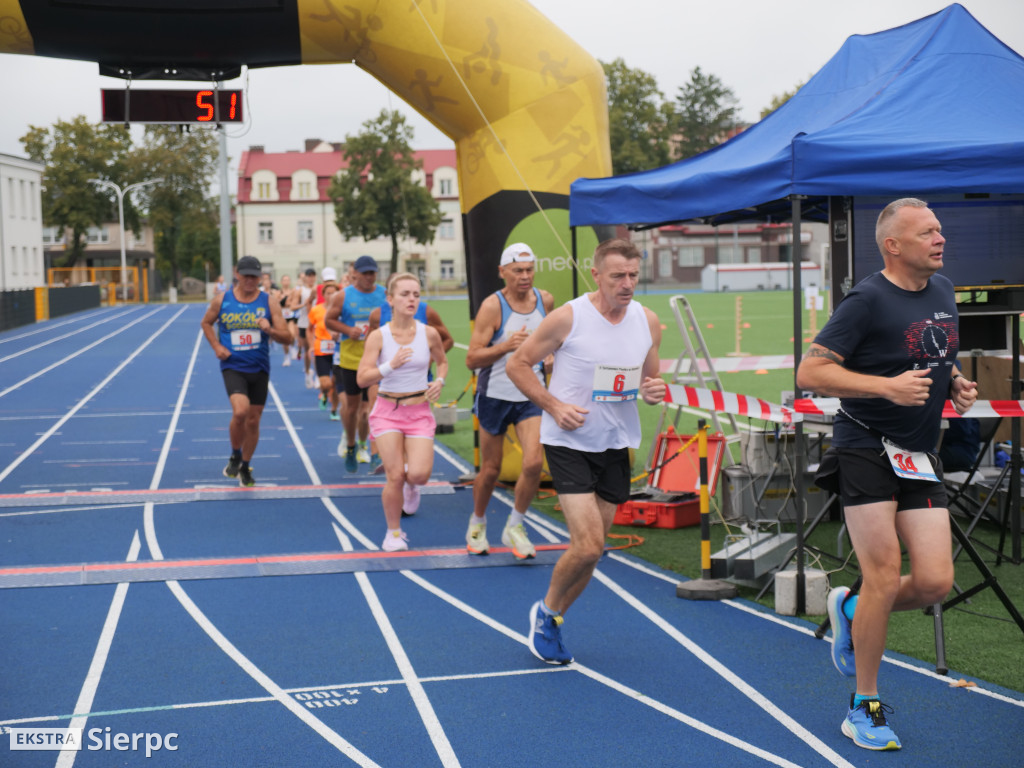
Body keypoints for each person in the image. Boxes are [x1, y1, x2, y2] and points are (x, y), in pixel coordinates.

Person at [796, 198, 978, 752]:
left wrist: (955, 383)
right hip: (865, 445)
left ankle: (849, 607)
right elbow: (811, 371)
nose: (939, 238)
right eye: (926, 232)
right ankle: (865, 708)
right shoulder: (866, 299)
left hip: (917, 452)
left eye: (939, 230)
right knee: (884, 573)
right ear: (893, 246)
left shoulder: (944, 290)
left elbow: (934, 351)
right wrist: (887, 388)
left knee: (935, 582)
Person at [506, 238, 666, 664]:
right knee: (590, 545)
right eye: (618, 275)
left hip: (616, 443)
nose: (627, 283)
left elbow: (652, 380)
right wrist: (554, 406)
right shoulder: (568, 318)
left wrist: (654, 390)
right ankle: (544, 612)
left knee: (594, 549)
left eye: (633, 275)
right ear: (596, 275)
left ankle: (553, 616)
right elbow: (517, 364)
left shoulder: (647, 321)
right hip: (568, 442)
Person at [464, 243, 554, 559]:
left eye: (529, 270)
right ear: (503, 272)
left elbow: (552, 340)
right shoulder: (493, 307)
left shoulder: (545, 300)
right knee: (490, 470)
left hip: (530, 394)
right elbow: (472, 359)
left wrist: (550, 355)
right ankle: (477, 523)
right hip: (495, 395)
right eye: (518, 271)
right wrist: (505, 346)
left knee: (533, 462)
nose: (525, 276)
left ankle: (515, 525)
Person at [356, 273, 448, 551]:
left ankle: (412, 485)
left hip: (419, 411)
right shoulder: (378, 336)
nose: (411, 300)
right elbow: (362, 378)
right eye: (405, 294)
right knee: (394, 475)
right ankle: (393, 533)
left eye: (416, 295)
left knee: (418, 475)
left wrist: (439, 381)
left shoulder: (428, 333)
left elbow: (442, 363)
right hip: (387, 411)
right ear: (390, 299)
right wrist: (390, 366)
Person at [200, 255, 291, 487]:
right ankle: (235, 453)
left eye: (255, 276)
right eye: (246, 275)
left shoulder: (269, 302)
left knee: (253, 420)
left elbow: (287, 336)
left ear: (259, 277)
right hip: (233, 365)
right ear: (237, 275)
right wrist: (217, 346)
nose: (250, 280)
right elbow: (206, 323)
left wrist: (270, 329)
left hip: (259, 367)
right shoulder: (222, 300)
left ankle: (245, 465)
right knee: (240, 412)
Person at [326, 255, 388, 472]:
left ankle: (371, 449)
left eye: (373, 273)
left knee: (370, 410)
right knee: (351, 410)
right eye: (366, 273)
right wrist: (346, 330)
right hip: (351, 361)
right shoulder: (344, 296)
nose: (370, 277)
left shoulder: (383, 294)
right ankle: (351, 445)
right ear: (356, 274)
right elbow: (329, 320)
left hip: (377, 361)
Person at [308, 280, 340, 420]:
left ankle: (333, 410)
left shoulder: (341, 310)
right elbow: (309, 329)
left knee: (337, 381)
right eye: (328, 293)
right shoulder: (316, 310)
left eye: (334, 293)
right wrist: (310, 345)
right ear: (323, 295)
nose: (331, 296)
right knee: (326, 383)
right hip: (321, 349)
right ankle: (325, 393)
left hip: (338, 349)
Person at [292, 268, 318, 388]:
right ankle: (308, 372)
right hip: (304, 324)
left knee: (315, 351)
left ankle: (318, 375)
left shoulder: (320, 289)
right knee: (307, 351)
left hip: (317, 324)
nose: (311, 278)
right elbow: (292, 307)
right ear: (305, 277)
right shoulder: (300, 291)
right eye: (309, 276)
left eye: (313, 276)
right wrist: (305, 303)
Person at [278, 273, 296, 366]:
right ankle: (286, 356)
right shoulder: (278, 292)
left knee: (292, 334)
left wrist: (289, 304)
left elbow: (294, 303)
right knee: (284, 338)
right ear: (281, 282)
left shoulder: (293, 292)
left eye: (287, 280)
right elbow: (276, 304)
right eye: (284, 280)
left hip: (291, 316)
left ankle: (292, 347)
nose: (286, 282)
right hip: (282, 317)